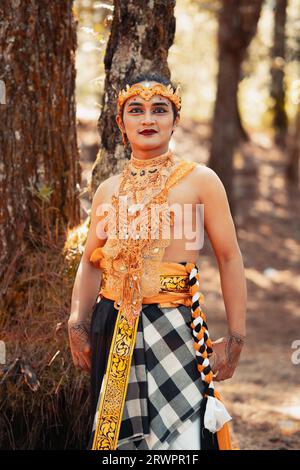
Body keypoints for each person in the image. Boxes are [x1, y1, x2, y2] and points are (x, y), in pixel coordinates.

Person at [68, 71, 247, 451]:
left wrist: (236, 337)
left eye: (159, 109)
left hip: (174, 323)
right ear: (120, 122)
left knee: (182, 435)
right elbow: (89, 263)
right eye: (136, 110)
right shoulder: (108, 190)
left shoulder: (201, 181)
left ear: (174, 120)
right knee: (119, 439)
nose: (148, 119)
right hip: (112, 322)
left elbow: (230, 258)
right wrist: (76, 323)